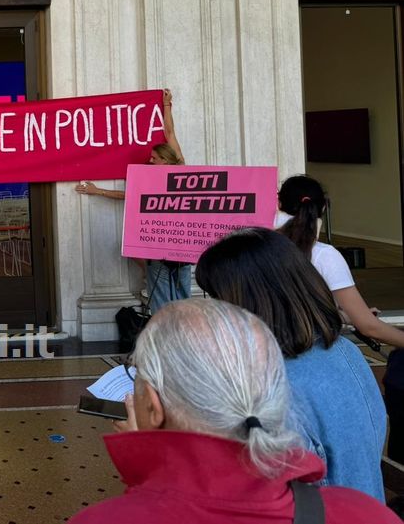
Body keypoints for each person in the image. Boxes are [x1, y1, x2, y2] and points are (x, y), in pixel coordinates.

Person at [71, 297, 396, 524]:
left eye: (135, 372)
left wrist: (145, 472)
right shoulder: (367, 514)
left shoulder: (100, 520)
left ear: (154, 408)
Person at [196, 228, 387, 500]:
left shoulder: (273, 387)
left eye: (217, 299)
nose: (215, 312)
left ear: (248, 302)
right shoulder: (344, 351)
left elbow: (249, 495)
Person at [75, 88, 187, 312]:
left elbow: (170, 133)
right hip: (172, 243)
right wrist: (166, 106)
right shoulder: (175, 170)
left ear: (165, 161)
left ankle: (171, 329)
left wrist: (99, 192)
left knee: (167, 295)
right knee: (137, 255)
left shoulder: (179, 172)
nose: (150, 160)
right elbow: (170, 132)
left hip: (172, 243)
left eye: (154, 158)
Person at [276, 174, 404, 349]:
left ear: (279, 204)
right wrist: (358, 317)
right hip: (307, 351)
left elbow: (287, 310)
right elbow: (369, 327)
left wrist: (346, 316)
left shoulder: (255, 247)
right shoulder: (325, 256)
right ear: (323, 208)